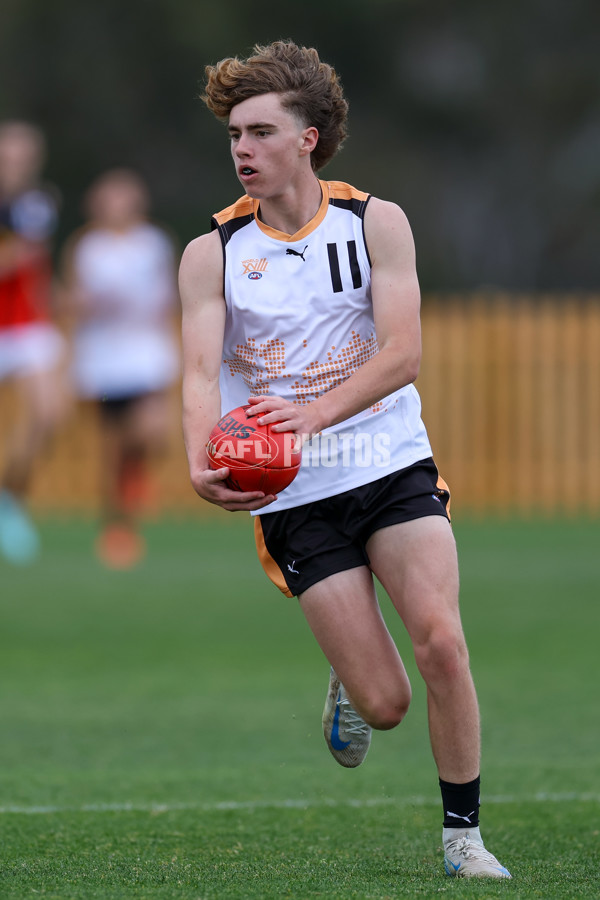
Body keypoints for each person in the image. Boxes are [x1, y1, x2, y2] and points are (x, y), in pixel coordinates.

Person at [179, 41, 511, 879]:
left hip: (389, 460)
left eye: (259, 131)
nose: (242, 149)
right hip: (295, 495)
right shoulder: (213, 252)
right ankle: (348, 675)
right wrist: (196, 460)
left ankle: (463, 839)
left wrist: (315, 413)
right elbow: (194, 374)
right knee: (387, 704)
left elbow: (402, 354)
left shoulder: (375, 222)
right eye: (233, 134)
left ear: (309, 140)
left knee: (441, 642)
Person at [61, 169, 180, 568]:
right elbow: (71, 300)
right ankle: (117, 525)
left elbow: (168, 297)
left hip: (146, 351)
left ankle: (134, 486)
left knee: (152, 433)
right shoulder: (87, 247)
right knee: (113, 448)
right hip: (103, 357)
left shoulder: (154, 243)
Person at [0, 120, 66, 565]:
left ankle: (9, 500)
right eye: (9, 158)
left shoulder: (38, 204)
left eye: (25, 159)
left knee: (50, 414)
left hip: (26, 326)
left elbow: (36, 270)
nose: (17, 167)